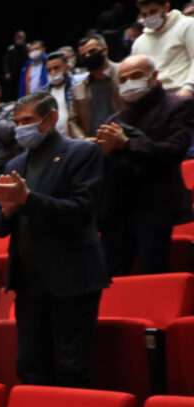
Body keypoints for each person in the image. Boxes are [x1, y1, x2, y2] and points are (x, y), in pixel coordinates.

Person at [0, 92, 109, 387]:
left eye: (27, 120)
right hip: (29, 282)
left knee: (72, 367)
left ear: (50, 118)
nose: (20, 128)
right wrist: (8, 210)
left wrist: (27, 199)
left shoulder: (82, 152)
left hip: (73, 278)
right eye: (17, 122)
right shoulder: (15, 164)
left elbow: (82, 211)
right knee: (29, 365)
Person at [97, 54, 194, 274]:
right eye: (123, 79)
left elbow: (175, 150)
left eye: (136, 76)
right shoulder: (114, 120)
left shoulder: (178, 106)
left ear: (154, 76)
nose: (129, 83)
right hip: (118, 210)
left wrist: (127, 143)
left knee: (154, 269)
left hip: (156, 205)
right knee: (113, 275)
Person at [132, 0, 194, 96]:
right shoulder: (139, 42)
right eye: (144, 14)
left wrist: (189, 88)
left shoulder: (188, 25)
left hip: (184, 92)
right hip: (156, 97)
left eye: (153, 12)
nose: (149, 17)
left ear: (166, 8)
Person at [70, 34, 124, 138]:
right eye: (83, 56)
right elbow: (73, 120)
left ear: (105, 50)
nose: (88, 56)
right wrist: (83, 140)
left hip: (124, 139)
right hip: (94, 143)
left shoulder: (124, 74)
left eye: (92, 52)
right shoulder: (78, 88)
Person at [4, 30, 30, 96]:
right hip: (14, 73)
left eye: (21, 37)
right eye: (18, 37)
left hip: (26, 71)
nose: (19, 38)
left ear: (24, 37)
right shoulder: (11, 49)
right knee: (14, 89)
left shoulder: (28, 47)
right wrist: (7, 72)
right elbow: (6, 62)